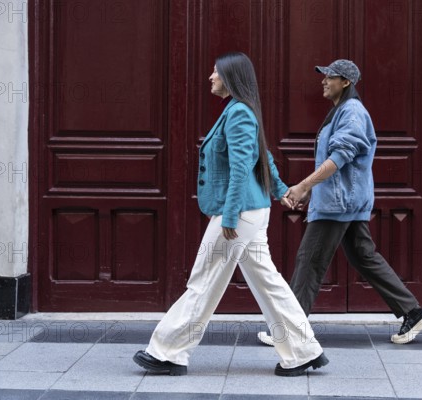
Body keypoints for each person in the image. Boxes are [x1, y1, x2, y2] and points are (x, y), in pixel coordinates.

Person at [133, 52, 328, 377]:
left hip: (240, 214)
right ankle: (303, 351)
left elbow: (242, 167)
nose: (211, 77)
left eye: (216, 73)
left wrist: (229, 216)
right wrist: (280, 191)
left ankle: (168, 352)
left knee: (203, 280)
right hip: (250, 211)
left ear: (231, 79)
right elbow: (260, 155)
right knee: (268, 283)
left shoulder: (238, 113)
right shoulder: (238, 111)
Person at [257, 59, 422, 346]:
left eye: (330, 77)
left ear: (346, 82)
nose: (323, 81)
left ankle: (290, 328)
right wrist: (315, 192)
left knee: (309, 261)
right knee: (364, 256)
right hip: (345, 200)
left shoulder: (351, 112)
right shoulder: (343, 111)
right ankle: (413, 312)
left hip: (339, 204)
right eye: (323, 76)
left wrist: (303, 187)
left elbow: (340, 158)